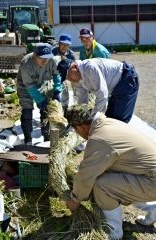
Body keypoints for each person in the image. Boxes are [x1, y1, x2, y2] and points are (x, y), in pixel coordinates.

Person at [65, 104, 156, 240]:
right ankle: (152, 210)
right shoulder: (109, 123)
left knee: (102, 185)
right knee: (108, 176)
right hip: (148, 175)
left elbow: (86, 174)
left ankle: (114, 233)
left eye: (75, 130)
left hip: (152, 182)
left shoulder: (99, 139)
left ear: (80, 127)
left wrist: (75, 198)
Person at [58, 58, 139, 123]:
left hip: (126, 78)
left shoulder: (89, 68)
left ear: (74, 67)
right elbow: (82, 101)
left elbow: (102, 95)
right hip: (114, 88)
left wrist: (92, 115)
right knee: (109, 117)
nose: (70, 80)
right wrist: (81, 116)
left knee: (118, 120)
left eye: (69, 75)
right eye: (67, 78)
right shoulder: (76, 79)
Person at [17, 43, 62, 144]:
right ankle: (28, 138)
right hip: (25, 86)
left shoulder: (51, 60)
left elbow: (56, 75)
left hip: (41, 84)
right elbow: (29, 87)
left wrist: (57, 90)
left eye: (47, 58)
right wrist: (40, 101)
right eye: (42, 58)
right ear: (35, 55)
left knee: (45, 110)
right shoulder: (26, 63)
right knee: (27, 110)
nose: (45, 61)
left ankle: (46, 136)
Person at [52, 34, 76, 113]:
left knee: (65, 91)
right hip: (53, 75)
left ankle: (65, 109)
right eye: (63, 44)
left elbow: (73, 67)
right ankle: (53, 109)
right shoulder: (53, 51)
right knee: (53, 94)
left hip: (65, 76)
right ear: (59, 43)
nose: (64, 47)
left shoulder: (71, 54)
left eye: (67, 45)